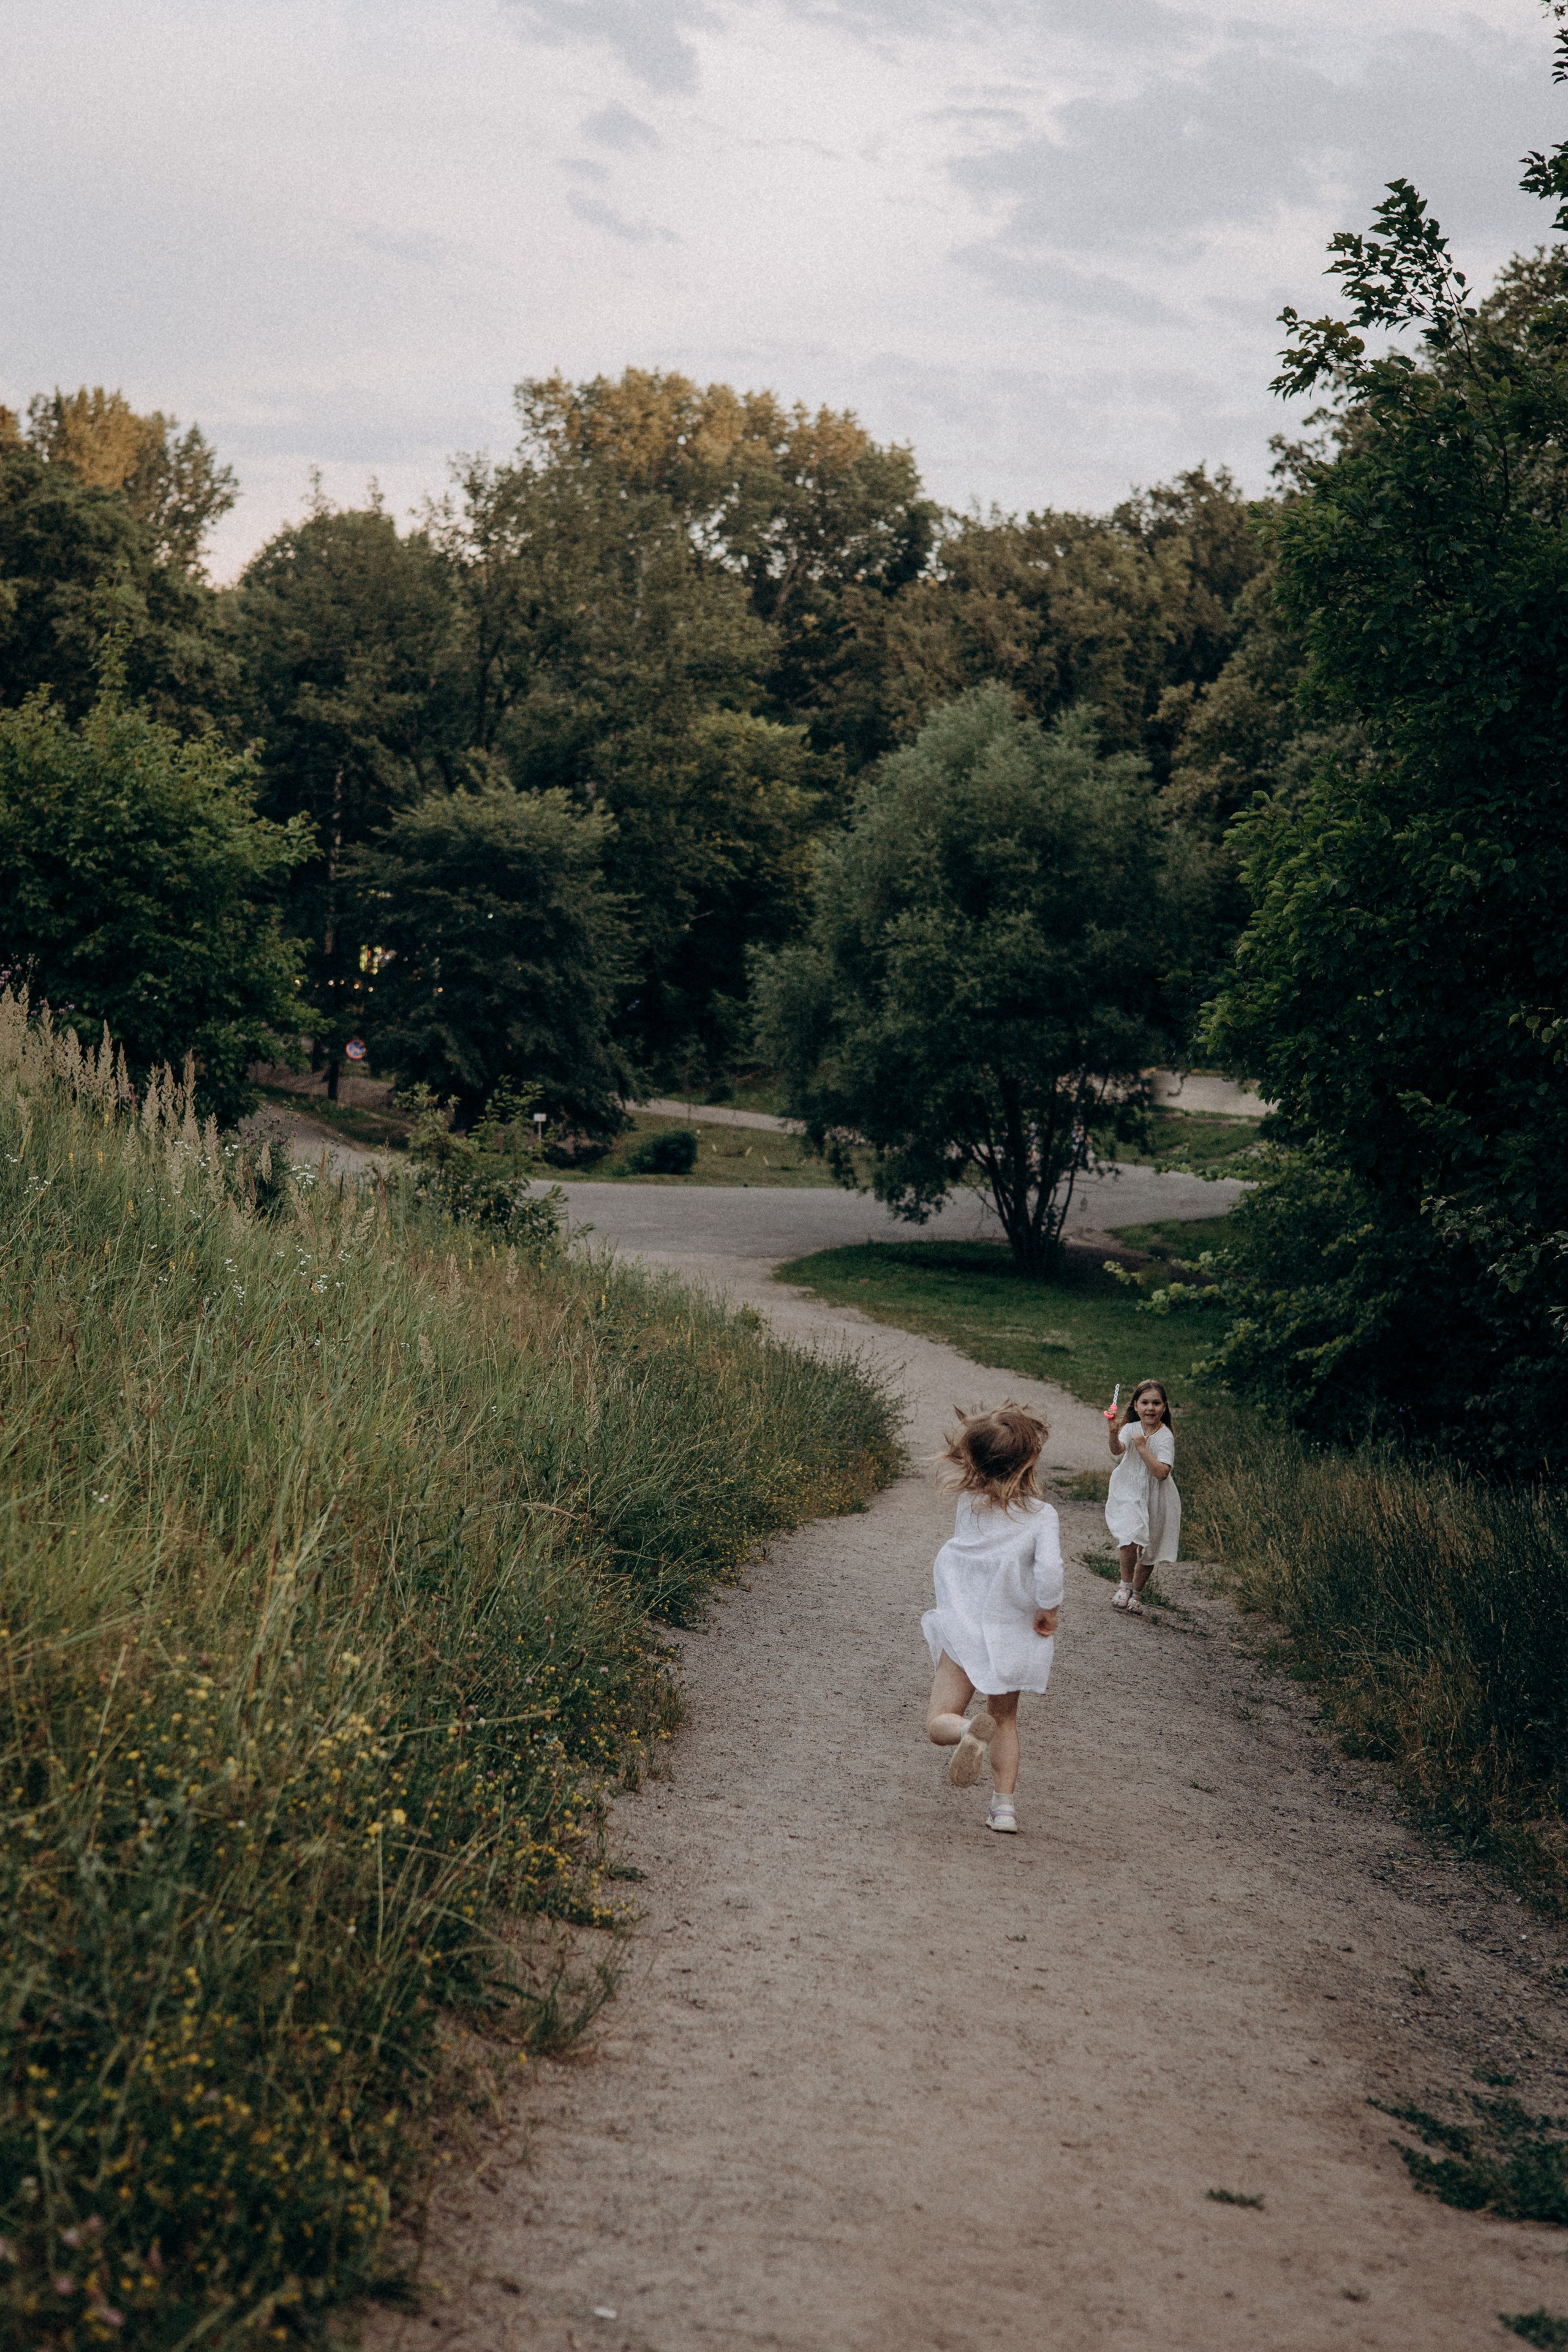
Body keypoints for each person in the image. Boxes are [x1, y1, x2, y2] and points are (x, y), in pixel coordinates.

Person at [922, 1404, 1063, 1834]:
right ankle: (1003, 1807)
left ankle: (966, 1730)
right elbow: (1051, 1572)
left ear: (975, 1460)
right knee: (1004, 1718)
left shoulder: (969, 1504)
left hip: (964, 1627)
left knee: (938, 1720)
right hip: (1013, 1633)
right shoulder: (1042, 1517)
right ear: (1029, 1462)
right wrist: (1047, 1609)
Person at [1104, 1379, 1180, 1615]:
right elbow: (1117, 1450)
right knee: (1129, 1537)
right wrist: (1113, 1433)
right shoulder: (1131, 1428)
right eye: (1145, 1403)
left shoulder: (1165, 1436)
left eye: (1156, 1403)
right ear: (1135, 1406)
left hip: (1157, 1496)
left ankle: (1137, 1592)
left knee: (1151, 1548)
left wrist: (1143, 1449)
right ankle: (1125, 1585)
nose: (1151, 1408)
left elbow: (1162, 1473)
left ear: (1164, 1407)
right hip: (1129, 1489)